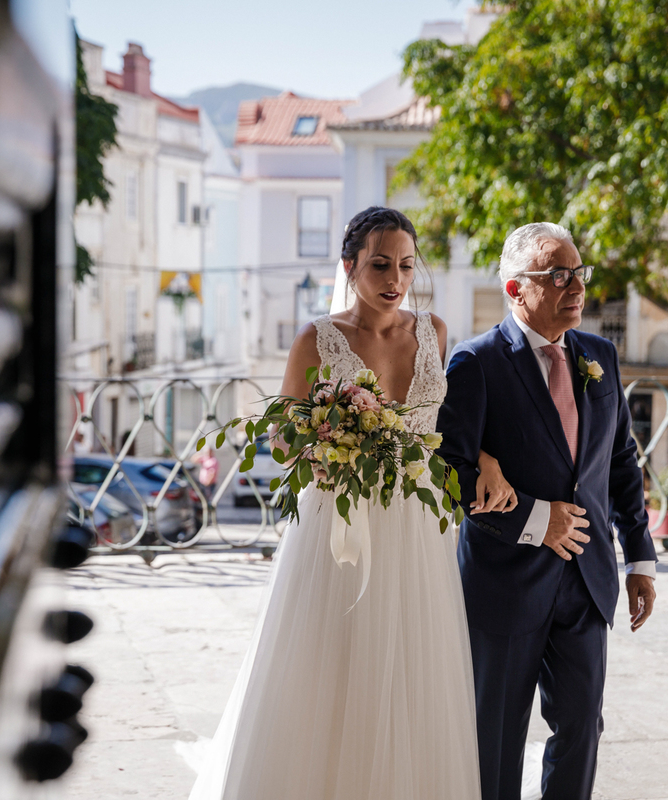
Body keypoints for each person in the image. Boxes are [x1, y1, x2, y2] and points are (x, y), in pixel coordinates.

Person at [189, 207, 489, 798]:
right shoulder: (317, 338)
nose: (394, 279)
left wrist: (492, 459)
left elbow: (446, 428)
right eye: (380, 265)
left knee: (415, 663)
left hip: (419, 519)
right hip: (342, 517)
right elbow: (282, 437)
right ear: (349, 267)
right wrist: (327, 443)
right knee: (330, 658)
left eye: (405, 265)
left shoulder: (435, 332)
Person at [436, 222, 659, 800]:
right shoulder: (476, 362)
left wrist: (639, 558)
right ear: (516, 290)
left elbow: (620, 463)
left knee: (583, 729)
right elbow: (450, 474)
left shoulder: (600, 356)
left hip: (586, 580)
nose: (576, 286)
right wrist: (537, 520)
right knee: (497, 740)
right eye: (558, 275)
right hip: (503, 584)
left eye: (579, 272)